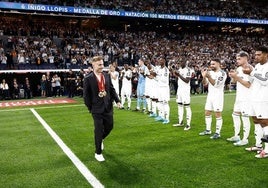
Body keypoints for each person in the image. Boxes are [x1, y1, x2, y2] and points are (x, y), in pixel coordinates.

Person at [83, 56, 121, 162]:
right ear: (93, 65)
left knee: (110, 126)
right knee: (98, 130)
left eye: (102, 64)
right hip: (96, 109)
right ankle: (98, 152)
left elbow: (112, 90)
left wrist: (117, 101)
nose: (102, 66)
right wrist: (91, 108)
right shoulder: (88, 78)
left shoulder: (106, 75)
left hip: (108, 107)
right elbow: (86, 96)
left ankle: (101, 139)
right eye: (99, 64)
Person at [243, 46, 268, 158]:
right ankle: (258, 145)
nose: (256, 56)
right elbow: (254, 80)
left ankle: (267, 150)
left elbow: (264, 81)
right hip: (254, 97)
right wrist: (248, 74)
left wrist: (252, 73)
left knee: (264, 121)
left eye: (259, 54)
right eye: (256, 54)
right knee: (255, 119)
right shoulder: (257, 66)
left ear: (266, 55)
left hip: (263, 98)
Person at [226, 51, 251, 146]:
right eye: (236, 59)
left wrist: (237, 77)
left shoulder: (250, 69)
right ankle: (237, 135)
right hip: (239, 97)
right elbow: (234, 81)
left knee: (245, 118)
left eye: (239, 59)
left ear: (245, 58)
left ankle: (245, 139)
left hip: (247, 97)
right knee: (235, 115)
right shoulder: (239, 69)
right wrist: (232, 76)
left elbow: (248, 85)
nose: (237, 60)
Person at [199, 58, 227, 139]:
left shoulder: (222, 73)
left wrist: (208, 76)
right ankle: (208, 130)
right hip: (210, 95)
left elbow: (216, 84)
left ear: (218, 64)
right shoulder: (210, 72)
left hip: (218, 96)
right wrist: (204, 77)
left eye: (213, 64)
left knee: (217, 114)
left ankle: (218, 133)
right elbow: (205, 84)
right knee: (207, 112)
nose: (211, 66)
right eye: (211, 64)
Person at [173, 60, 193, 130]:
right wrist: (176, 75)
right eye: (179, 62)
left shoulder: (188, 70)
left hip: (185, 90)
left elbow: (187, 81)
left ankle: (188, 124)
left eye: (181, 62)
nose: (180, 63)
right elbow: (178, 79)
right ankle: (180, 122)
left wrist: (179, 75)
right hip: (180, 89)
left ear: (185, 63)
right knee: (179, 105)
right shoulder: (180, 69)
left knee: (187, 106)